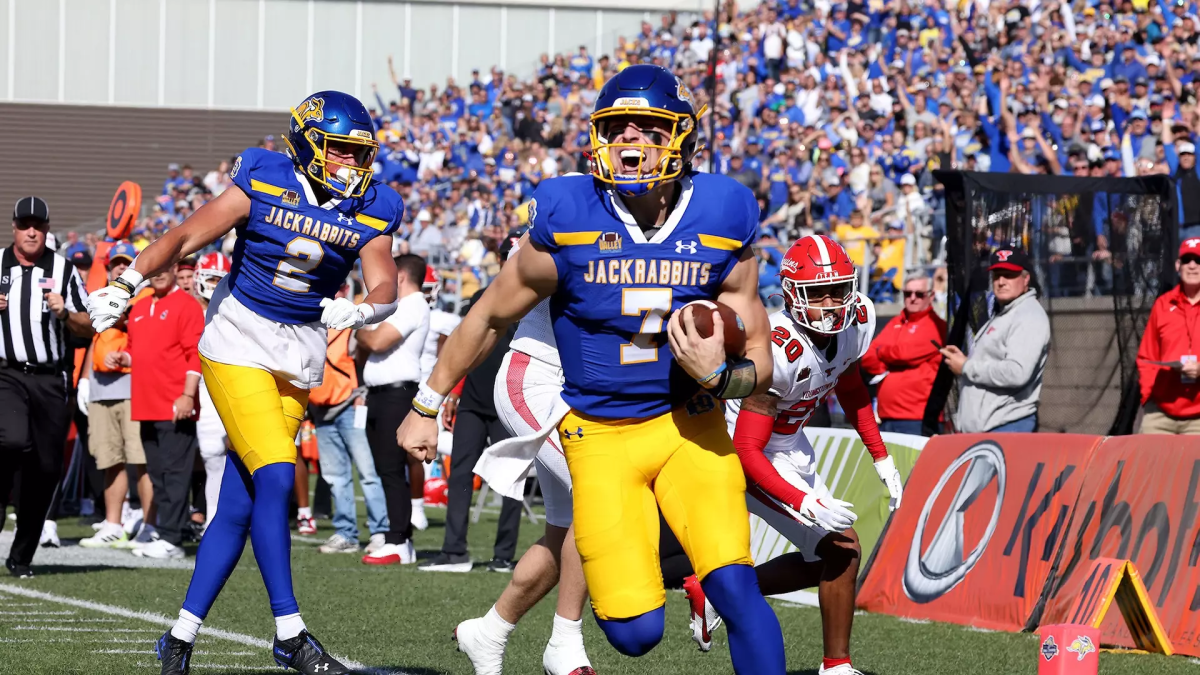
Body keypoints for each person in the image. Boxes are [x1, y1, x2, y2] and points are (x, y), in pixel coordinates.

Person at [399, 65, 787, 673]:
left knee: (735, 587)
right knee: (634, 634)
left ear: (681, 136)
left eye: (648, 126)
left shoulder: (725, 208)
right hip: (601, 434)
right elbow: (487, 316)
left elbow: (760, 356)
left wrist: (722, 376)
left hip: (691, 427)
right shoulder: (570, 209)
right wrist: (426, 403)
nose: (630, 139)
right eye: (617, 126)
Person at [86, 90, 402, 675]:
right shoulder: (264, 175)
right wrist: (128, 281)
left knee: (240, 500)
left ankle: (178, 638)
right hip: (237, 336)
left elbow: (383, 281)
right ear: (307, 144)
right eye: (338, 151)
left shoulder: (378, 205)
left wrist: (362, 309)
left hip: (301, 351)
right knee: (279, 473)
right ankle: (290, 633)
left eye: (359, 154)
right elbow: (185, 236)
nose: (350, 166)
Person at [691, 235, 904, 675]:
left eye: (838, 290)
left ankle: (716, 593)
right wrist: (802, 499)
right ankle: (837, 666)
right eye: (816, 294)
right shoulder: (775, 348)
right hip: (740, 451)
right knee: (843, 547)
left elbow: (849, 385)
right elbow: (748, 450)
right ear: (791, 294)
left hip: (788, 444)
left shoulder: (857, 319)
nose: (830, 304)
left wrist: (880, 455)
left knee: (832, 558)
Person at [453, 224, 593, 675]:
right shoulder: (573, 221)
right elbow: (495, 309)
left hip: (588, 391)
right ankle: (566, 642)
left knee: (563, 531)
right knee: (602, 498)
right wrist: (429, 399)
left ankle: (489, 632)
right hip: (537, 379)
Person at [419, 235, 523, 575]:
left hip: (510, 402)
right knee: (460, 472)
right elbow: (466, 348)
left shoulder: (541, 303)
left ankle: (504, 555)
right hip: (474, 399)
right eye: (506, 254)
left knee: (510, 480)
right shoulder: (482, 296)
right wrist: (452, 391)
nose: (510, 259)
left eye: (515, 254)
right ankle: (454, 551)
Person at [0, 196, 92, 579]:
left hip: (52, 380)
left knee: (46, 469)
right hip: (6, 374)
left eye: (38, 224)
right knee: (10, 441)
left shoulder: (64, 270)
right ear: (14, 228)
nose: (31, 231)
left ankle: (21, 555)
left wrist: (65, 313)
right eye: (25, 224)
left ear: (48, 229)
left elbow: (90, 326)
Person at [125, 263, 205, 560]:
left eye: (163, 267)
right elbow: (135, 349)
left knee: (175, 473)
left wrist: (187, 395)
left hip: (175, 405)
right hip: (145, 404)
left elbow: (194, 354)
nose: (158, 273)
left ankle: (173, 537)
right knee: (157, 473)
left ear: (174, 268)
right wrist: (123, 356)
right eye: (153, 268)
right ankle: (165, 530)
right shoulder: (140, 306)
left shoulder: (187, 305)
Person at [78, 241, 154, 549]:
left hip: (134, 386)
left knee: (141, 459)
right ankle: (113, 522)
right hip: (101, 387)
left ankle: (149, 523)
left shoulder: (145, 298)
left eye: (127, 263)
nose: (122, 268)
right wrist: (85, 379)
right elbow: (93, 341)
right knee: (110, 459)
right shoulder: (101, 297)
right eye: (117, 264)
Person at [356, 253, 429, 565]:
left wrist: (356, 325)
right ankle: (397, 537)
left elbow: (377, 342)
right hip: (381, 395)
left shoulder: (413, 304)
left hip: (396, 395)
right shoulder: (405, 305)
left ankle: (399, 539)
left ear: (399, 276)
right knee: (386, 469)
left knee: (391, 469)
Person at [310, 285, 389, 554]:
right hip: (321, 408)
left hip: (349, 404)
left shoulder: (349, 322)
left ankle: (380, 531)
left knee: (367, 472)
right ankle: (346, 533)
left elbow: (363, 357)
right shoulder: (308, 319)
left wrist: (362, 392)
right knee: (335, 475)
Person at [939, 248, 1050, 433]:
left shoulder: (1028, 314)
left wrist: (967, 367)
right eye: (997, 275)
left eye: (1009, 275)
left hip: (1007, 427)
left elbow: (1017, 373)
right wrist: (965, 362)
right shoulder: (1005, 312)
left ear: (1026, 279)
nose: (1001, 281)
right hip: (989, 429)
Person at [860, 273, 946, 435]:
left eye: (919, 294)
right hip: (886, 417)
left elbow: (904, 353)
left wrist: (883, 353)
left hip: (918, 419)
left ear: (930, 295)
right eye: (908, 293)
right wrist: (886, 359)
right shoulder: (895, 322)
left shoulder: (936, 326)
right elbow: (868, 357)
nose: (913, 298)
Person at [1137, 238, 1200, 433]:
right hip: (1161, 413)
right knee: (1143, 459)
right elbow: (1147, 357)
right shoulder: (1163, 305)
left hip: (1198, 417)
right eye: (1187, 260)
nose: (1192, 266)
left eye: (1198, 260)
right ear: (1177, 266)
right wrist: (1148, 396)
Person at [417, 265, 461, 530]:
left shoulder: (443, 320)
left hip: (430, 390)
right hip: (409, 387)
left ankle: (416, 506)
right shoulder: (399, 315)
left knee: (422, 446)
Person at [193, 252, 231, 529]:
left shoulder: (233, 307)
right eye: (211, 278)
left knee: (226, 451)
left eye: (219, 279)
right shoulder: (187, 306)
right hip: (199, 384)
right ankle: (211, 516)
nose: (214, 284)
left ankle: (222, 518)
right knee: (209, 452)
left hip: (227, 383)